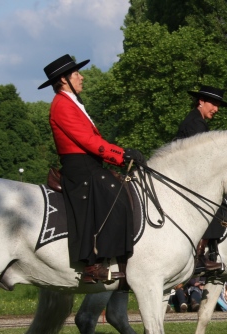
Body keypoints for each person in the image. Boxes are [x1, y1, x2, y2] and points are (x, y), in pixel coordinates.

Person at [38, 54, 146, 283]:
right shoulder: (61, 105)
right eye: (76, 73)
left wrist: (121, 154)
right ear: (64, 80)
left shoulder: (73, 102)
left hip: (90, 163)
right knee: (113, 196)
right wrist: (122, 155)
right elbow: (88, 141)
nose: (81, 77)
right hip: (80, 167)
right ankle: (93, 265)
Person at [176, 85, 227, 273]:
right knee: (215, 207)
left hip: (187, 174)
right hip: (186, 177)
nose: (216, 109)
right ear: (201, 101)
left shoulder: (196, 121)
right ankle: (200, 256)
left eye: (218, 105)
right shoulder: (196, 124)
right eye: (213, 104)